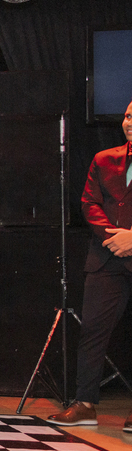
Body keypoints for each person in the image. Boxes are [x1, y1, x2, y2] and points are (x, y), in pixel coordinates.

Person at [48, 100, 132, 431]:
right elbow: (89, 203)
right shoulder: (104, 158)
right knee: (93, 331)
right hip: (107, 255)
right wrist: (117, 238)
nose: (129, 122)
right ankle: (84, 405)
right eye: (127, 116)